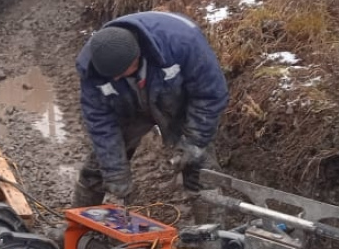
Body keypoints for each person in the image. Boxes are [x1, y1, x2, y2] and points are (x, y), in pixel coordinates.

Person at [74, 11, 229, 208]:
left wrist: (195, 141)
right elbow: (100, 122)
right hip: (126, 106)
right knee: (98, 170)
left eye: (121, 73)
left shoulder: (182, 42)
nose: (114, 79)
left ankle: (211, 235)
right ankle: (76, 229)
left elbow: (211, 94)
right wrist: (116, 174)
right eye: (110, 76)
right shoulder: (93, 65)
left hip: (178, 101)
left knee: (202, 169)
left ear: (136, 57)